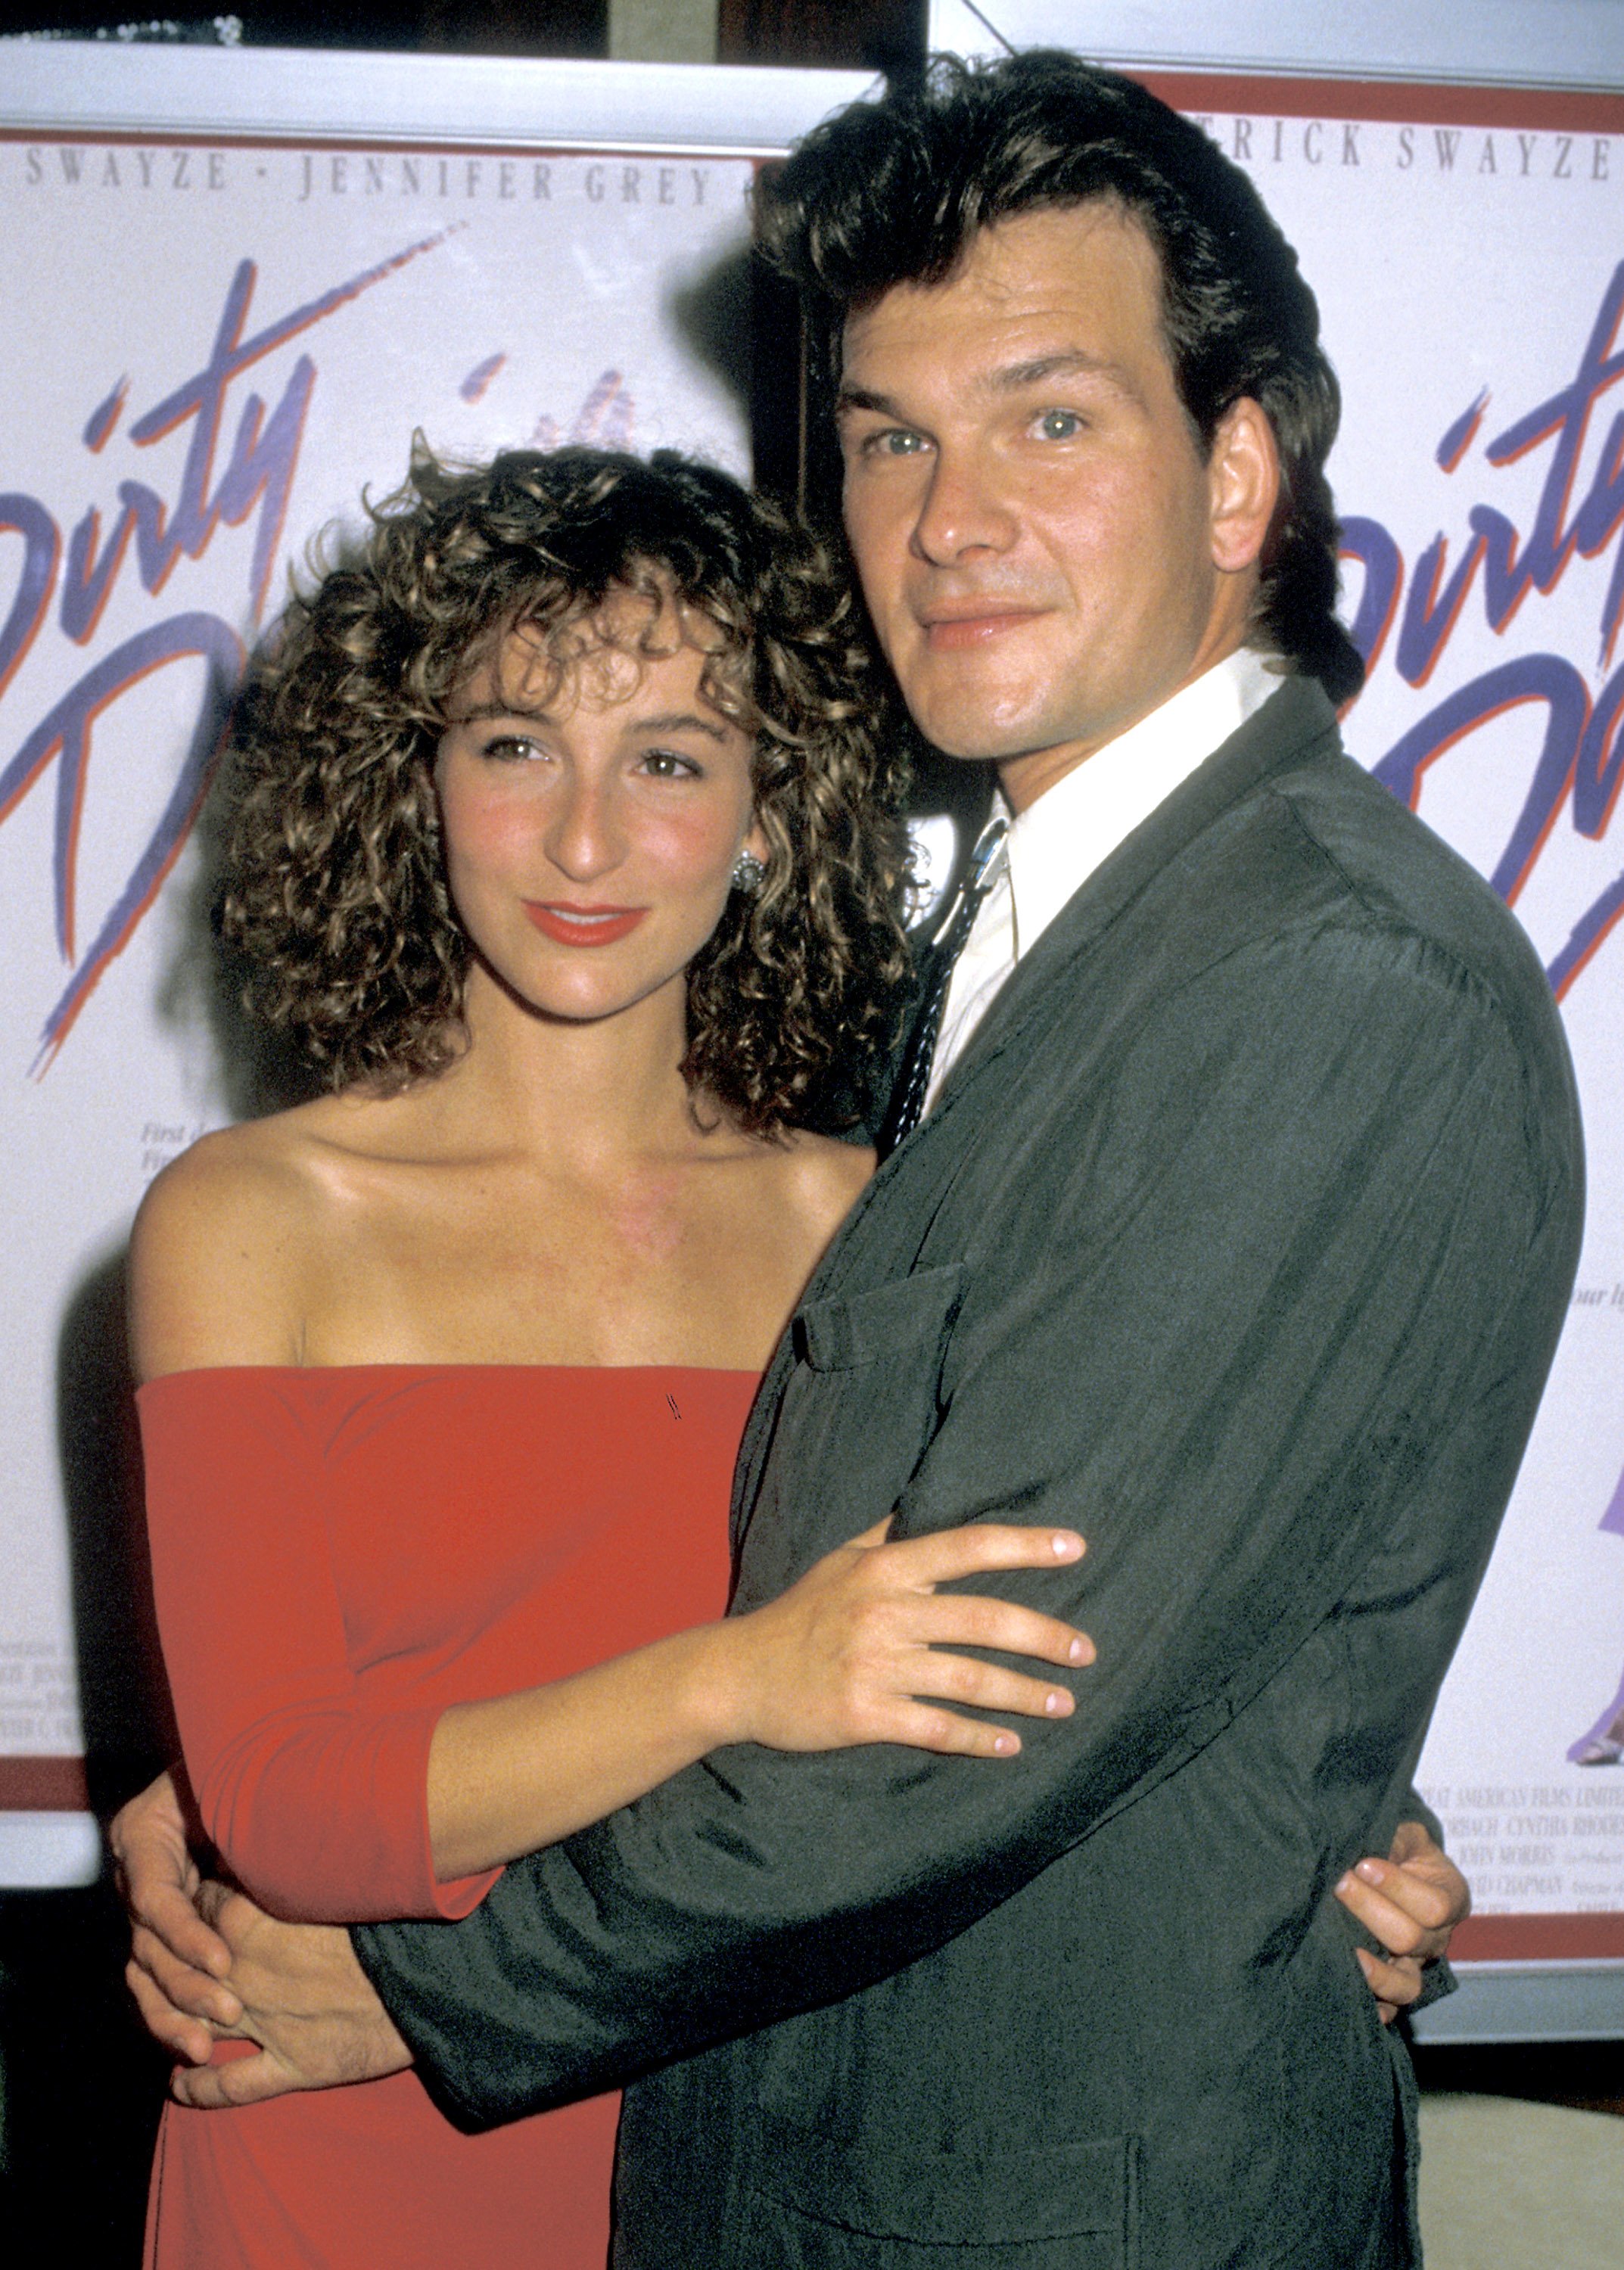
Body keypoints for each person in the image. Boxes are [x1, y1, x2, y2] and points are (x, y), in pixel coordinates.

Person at [113, 53, 1575, 2268]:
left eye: (1050, 419)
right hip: (730, 2144)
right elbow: (998, 1576)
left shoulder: (1320, 977)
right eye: (893, 435)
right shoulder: (1013, 946)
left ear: (1239, 468)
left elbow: (979, 1703)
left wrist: (412, 1986)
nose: (952, 515)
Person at [124, 440, 1112, 2267]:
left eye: (666, 759)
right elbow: (292, 1817)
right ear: (412, 786)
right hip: (331, 2153)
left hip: (750, 2131)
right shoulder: (251, 1219)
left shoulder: (868, 1220)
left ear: (768, 811)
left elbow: (1029, 1655)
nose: (586, 840)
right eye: (515, 745)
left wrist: (1333, 1846)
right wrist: (737, 1679)